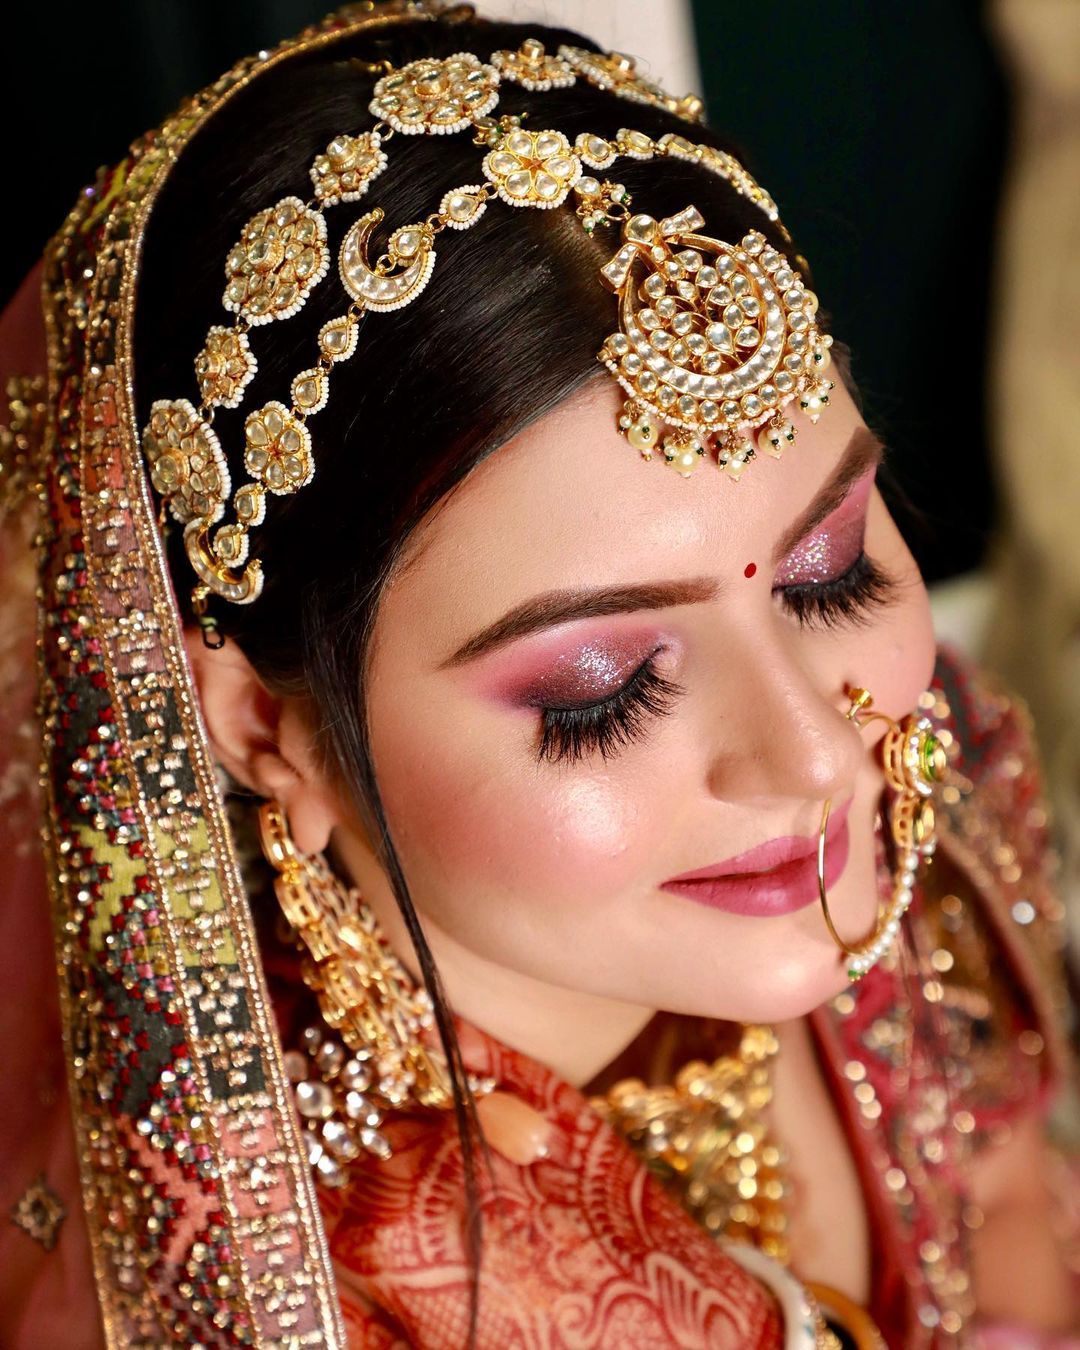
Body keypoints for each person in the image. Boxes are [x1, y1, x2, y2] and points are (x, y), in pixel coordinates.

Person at [1, 2, 1077, 1345]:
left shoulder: (914, 792)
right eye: (602, 690)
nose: (813, 751)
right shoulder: (282, 1293)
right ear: (267, 726)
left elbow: (1009, 1189)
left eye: (832, 569)